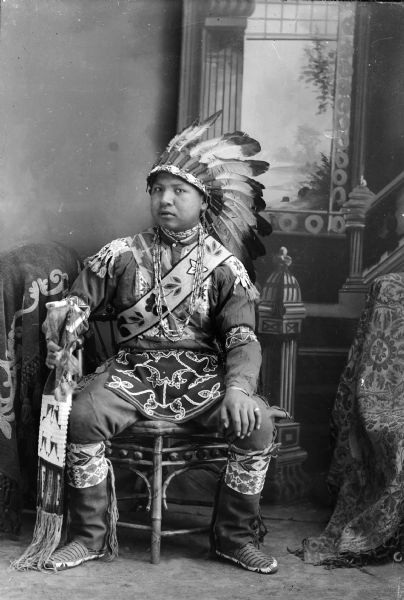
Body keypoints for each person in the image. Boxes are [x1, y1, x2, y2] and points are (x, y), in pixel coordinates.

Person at [15, 112, 286, 574]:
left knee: (257, 424)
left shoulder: (225, 268)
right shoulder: (120, 255)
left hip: (201, 379)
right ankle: (90, 536)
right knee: (80, 416)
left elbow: (242, 337)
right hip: (131, 373)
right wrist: (68, 320)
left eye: (179, 190)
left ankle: (233, 538)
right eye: (158, 189)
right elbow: (78, 301)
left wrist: (239, 388)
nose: (165, 199)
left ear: (203, 201)